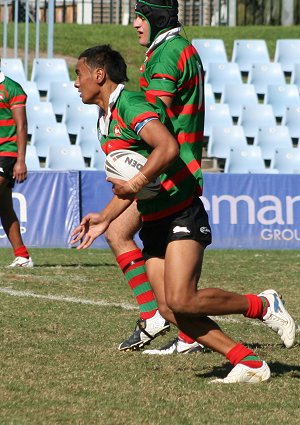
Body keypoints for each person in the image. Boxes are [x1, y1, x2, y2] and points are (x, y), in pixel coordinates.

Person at [71, 45, 295, 383]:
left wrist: (139, 180)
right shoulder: (104, 121)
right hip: (154, 219)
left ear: (99, 75)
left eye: (79, 74)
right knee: (169, 308)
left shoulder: (131, 105)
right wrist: (105, 217)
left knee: (183, 299)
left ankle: (262, 305)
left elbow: (168, 148)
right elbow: (134, 187)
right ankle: (247, 361)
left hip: (181, 213)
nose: (76, 82)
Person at [104, 0, 204, 353]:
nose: (134, 24)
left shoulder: (167, 54)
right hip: (169, 170)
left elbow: (155, 116)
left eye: (139, 16)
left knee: (118, 232)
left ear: (156, 18)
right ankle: (166, 320)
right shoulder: (174, 48)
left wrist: (124, 149)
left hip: (168, 173)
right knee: (120, 233)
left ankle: (259, 307)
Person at [0, 69, 33, 268]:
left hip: (7, 152)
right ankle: (23, 256)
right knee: (4, 207)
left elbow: (22, 126)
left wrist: (21, 160)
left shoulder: (12, 88)